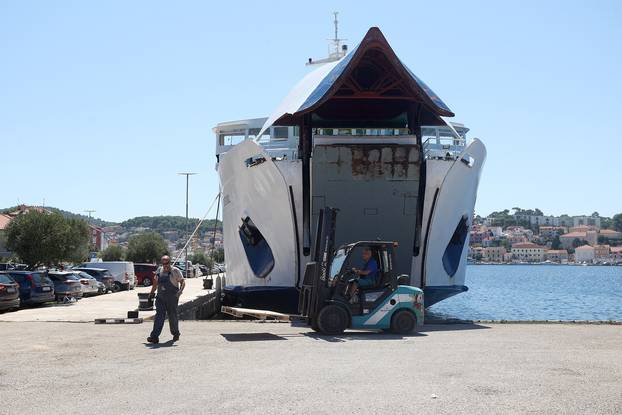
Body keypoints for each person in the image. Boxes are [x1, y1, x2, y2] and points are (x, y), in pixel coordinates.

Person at [147, 255, 185, 344]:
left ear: (170, 262)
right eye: (163, 263)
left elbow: (183, 282)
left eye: (167, 263)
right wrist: (151, 294)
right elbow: (155, 284)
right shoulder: (159, 271)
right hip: (160, 298)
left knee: (173, 316)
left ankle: (176, 333)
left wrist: (180, 291)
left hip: (172, 298)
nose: (165, 265)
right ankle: (154, 337)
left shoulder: (175, 271)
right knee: (159, 316)